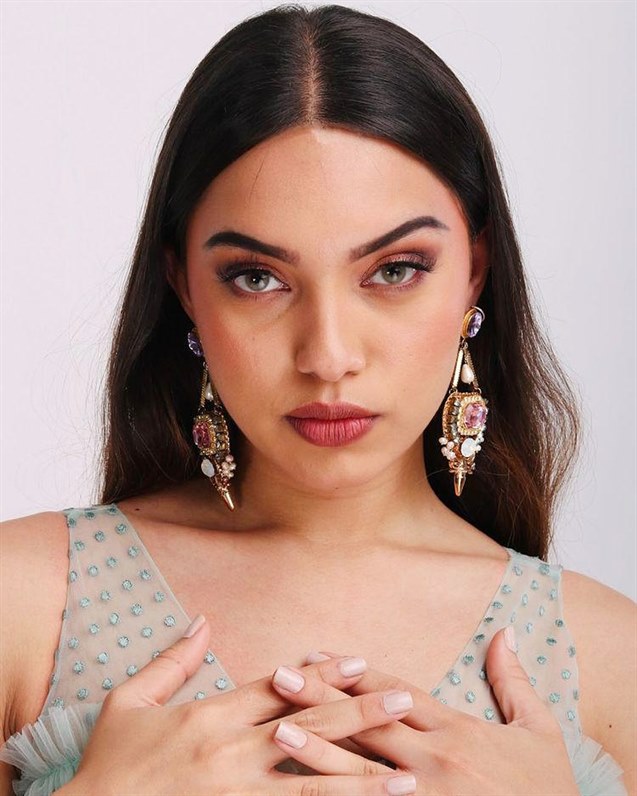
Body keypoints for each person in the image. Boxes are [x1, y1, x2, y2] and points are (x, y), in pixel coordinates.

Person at [0, 3, 634, 794]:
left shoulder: (608, 657)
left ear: (474, 272)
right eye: (256, 277)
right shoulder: (25, 602)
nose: (328, 355)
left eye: (394, 270)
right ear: (184, 287)